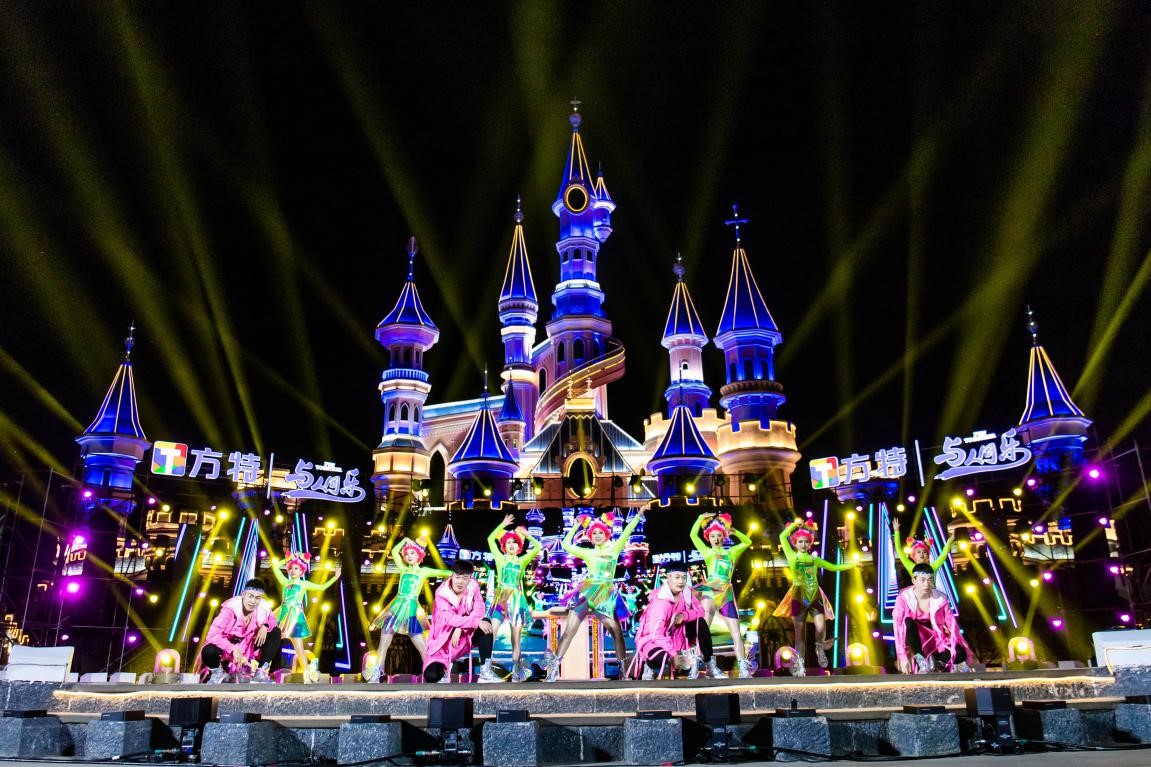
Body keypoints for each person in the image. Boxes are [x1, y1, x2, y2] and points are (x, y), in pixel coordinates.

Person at [544, 509, 644, 682]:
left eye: (600, 532)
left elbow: (627, 531)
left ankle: (622, 671)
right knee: (569, 631)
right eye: (594, 533)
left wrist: (638, 515)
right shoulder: (588, 552)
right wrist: (575, 526)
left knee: (616, 632)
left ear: (606, 534)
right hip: (586, 591)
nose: (597, 535)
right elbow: (566, 545)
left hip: (605, 594)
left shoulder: (614, 549)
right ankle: (553, 669)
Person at [366, 535, 452, 682]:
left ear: (419, 555)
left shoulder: (424, 571)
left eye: (412, 553)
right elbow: (394, 551)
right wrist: (406, 540)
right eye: (406, 554)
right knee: (383, 644)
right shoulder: (403, 569)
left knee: (423, 647)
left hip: (411, 610)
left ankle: (438, 674)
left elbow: (447, 573)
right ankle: (377, 674)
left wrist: (460, 575)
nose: (409, 556)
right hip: (395, 608)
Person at [773, 519, 857, 669]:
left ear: (810, 544)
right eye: (800, 541)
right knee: (800, 634)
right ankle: (799, 665)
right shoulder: (792, 556)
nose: (803, 544)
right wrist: (795, 525)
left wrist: (853, 564)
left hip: (815, 594)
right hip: (798, 595)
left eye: (806, 542)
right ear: (795, 543)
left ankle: (819, 647)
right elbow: (782, 537)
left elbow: (834, 567)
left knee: (821, 626)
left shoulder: (815, 559)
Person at [690, 512, 754, 678]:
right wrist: (700, 518)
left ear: (724, 536)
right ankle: (695, 667)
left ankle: (743, 668)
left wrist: (735, 531)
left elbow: (748, 542)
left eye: (719, 535)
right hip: (710, 593)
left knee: (736, 634)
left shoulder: (731, 552)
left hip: (726, 594)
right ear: (708, 538)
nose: (716, 539)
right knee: (703, 633)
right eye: (712, 536)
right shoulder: (707, 552)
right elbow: (693, 535)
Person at [629, 561, 718, 680]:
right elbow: (656, 635)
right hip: (653, 641)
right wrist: (673, 654)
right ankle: (649, 666)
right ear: (668, 578)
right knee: (662, 657)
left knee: (700, 622)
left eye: (684, 577)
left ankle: (710, 666)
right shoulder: (661, 602)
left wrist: (684, 615)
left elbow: (701, 611)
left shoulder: (686, 592)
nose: (681, 581)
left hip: (676, 635)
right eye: (677, 577)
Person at [483, 514, 541, 682]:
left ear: (519, 546)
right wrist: (502, 524)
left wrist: (527, 534)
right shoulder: (500, 558)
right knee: (491, 633)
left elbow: (538, 547)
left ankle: (516, 671)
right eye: (508, 542)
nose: (511, 544)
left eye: (514, 542)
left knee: (516, 638)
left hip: (516, 600)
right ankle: (486, 668)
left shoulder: (522, 561)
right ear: (503, 545)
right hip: (501, 598)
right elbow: (490, 539)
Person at [270, 551, 341, 680]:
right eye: (291, 568)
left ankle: (306, 672)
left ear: (302, 571)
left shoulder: (303, 584)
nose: (293, 571)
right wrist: (289, 559)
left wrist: (335, 578)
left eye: (296, 568)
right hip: (282, 615)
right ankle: (262, 668)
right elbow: (275, 567)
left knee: (298, 647)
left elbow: (321, 588)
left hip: (294, 617)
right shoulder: (285, 582)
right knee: (271, 642)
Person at [422, 559, 495, 684]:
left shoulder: (473, 586)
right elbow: (450, 618)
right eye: (457, 577)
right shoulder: (442, 594)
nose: (460, 582)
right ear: (452, 575)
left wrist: (460, 628)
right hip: (443, 645)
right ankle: (444, 670)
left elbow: (479, 609)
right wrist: (474, 623)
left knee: (485, 622)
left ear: (470, 578)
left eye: (465, 578)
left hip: (464, 638)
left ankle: (485, 671)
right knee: (431, 676)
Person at [894, 563, 974, 674]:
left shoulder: (941, 599)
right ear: (914, 580)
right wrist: (902, 656)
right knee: (908, 622)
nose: (926, 584)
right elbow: (898, 628)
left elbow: (953, 627)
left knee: (960, 654)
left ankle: (936, 661)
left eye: (930, 580)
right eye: (922, 580)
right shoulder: (903, 599)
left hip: (936, 640)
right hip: (915, 640)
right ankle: (922, 662)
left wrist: (967, 653)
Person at [201, 578, 281, 683]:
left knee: (275, 632)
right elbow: (212, 635)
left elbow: (273, 620)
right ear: (243, 595)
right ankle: (218, 673)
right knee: (208, 651)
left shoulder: (263, 609)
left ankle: (260, 673)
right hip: (228, 646)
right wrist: (232, 648)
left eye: (257, 598)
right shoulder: (229, 610)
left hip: (248, 646)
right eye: (250, 596)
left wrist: (266, 625)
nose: (253, 601)